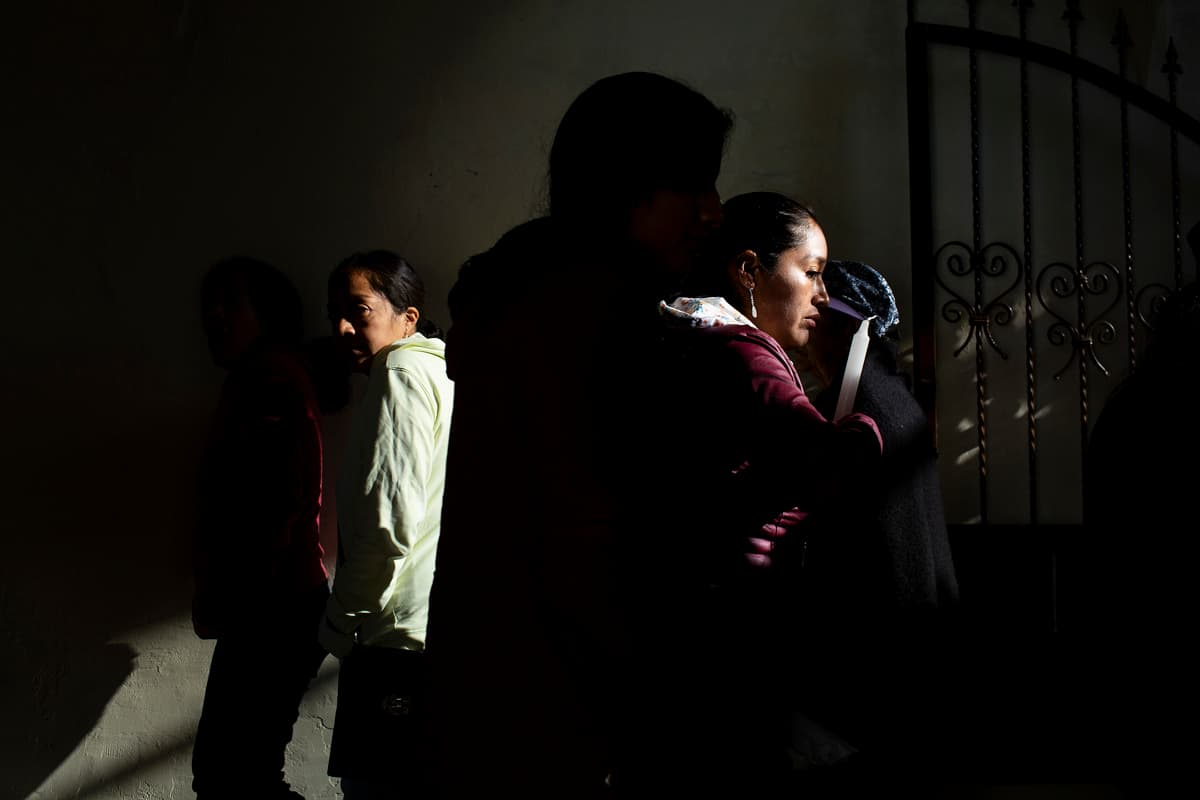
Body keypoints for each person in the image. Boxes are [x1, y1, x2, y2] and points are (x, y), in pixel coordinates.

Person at [422, 71, 733, 799]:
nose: (713, 212)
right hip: (568, 714)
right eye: (695, 185)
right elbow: (591, 535)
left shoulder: (522, 292)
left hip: (499, 697)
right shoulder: (593, 313)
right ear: (628, 186)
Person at [625, 191, 883, 798]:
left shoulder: (689, 336)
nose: (824, 294)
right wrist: (869, 423)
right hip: (736, 625)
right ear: (747, 270)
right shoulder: (744, 354)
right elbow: (829, 460)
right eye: (812, 272)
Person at [791, 257, 960, 790]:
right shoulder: (891, 393)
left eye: (815, 322)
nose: (805, 337)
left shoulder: (852, 407)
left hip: (875, 650)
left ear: (840, 326)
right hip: (915, 641)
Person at [191, 256, 330, 800]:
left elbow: (277, 499)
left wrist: (238, 598)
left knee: (231, 778)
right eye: (209, 305)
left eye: (231, 302)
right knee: (239, 774)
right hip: (279, 601)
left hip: (272, 603)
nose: (214, 316)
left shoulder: (268, 378)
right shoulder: (269, 375)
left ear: (267, 315)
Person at [319, 250, 454, 799]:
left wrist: (337, 621)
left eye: (359, 309)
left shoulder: (399, 371)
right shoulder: (439, 371)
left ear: (408, 316)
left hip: (391, 637)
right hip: (422, 628)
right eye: (336, 313)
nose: (344, 327)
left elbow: (387, 523)